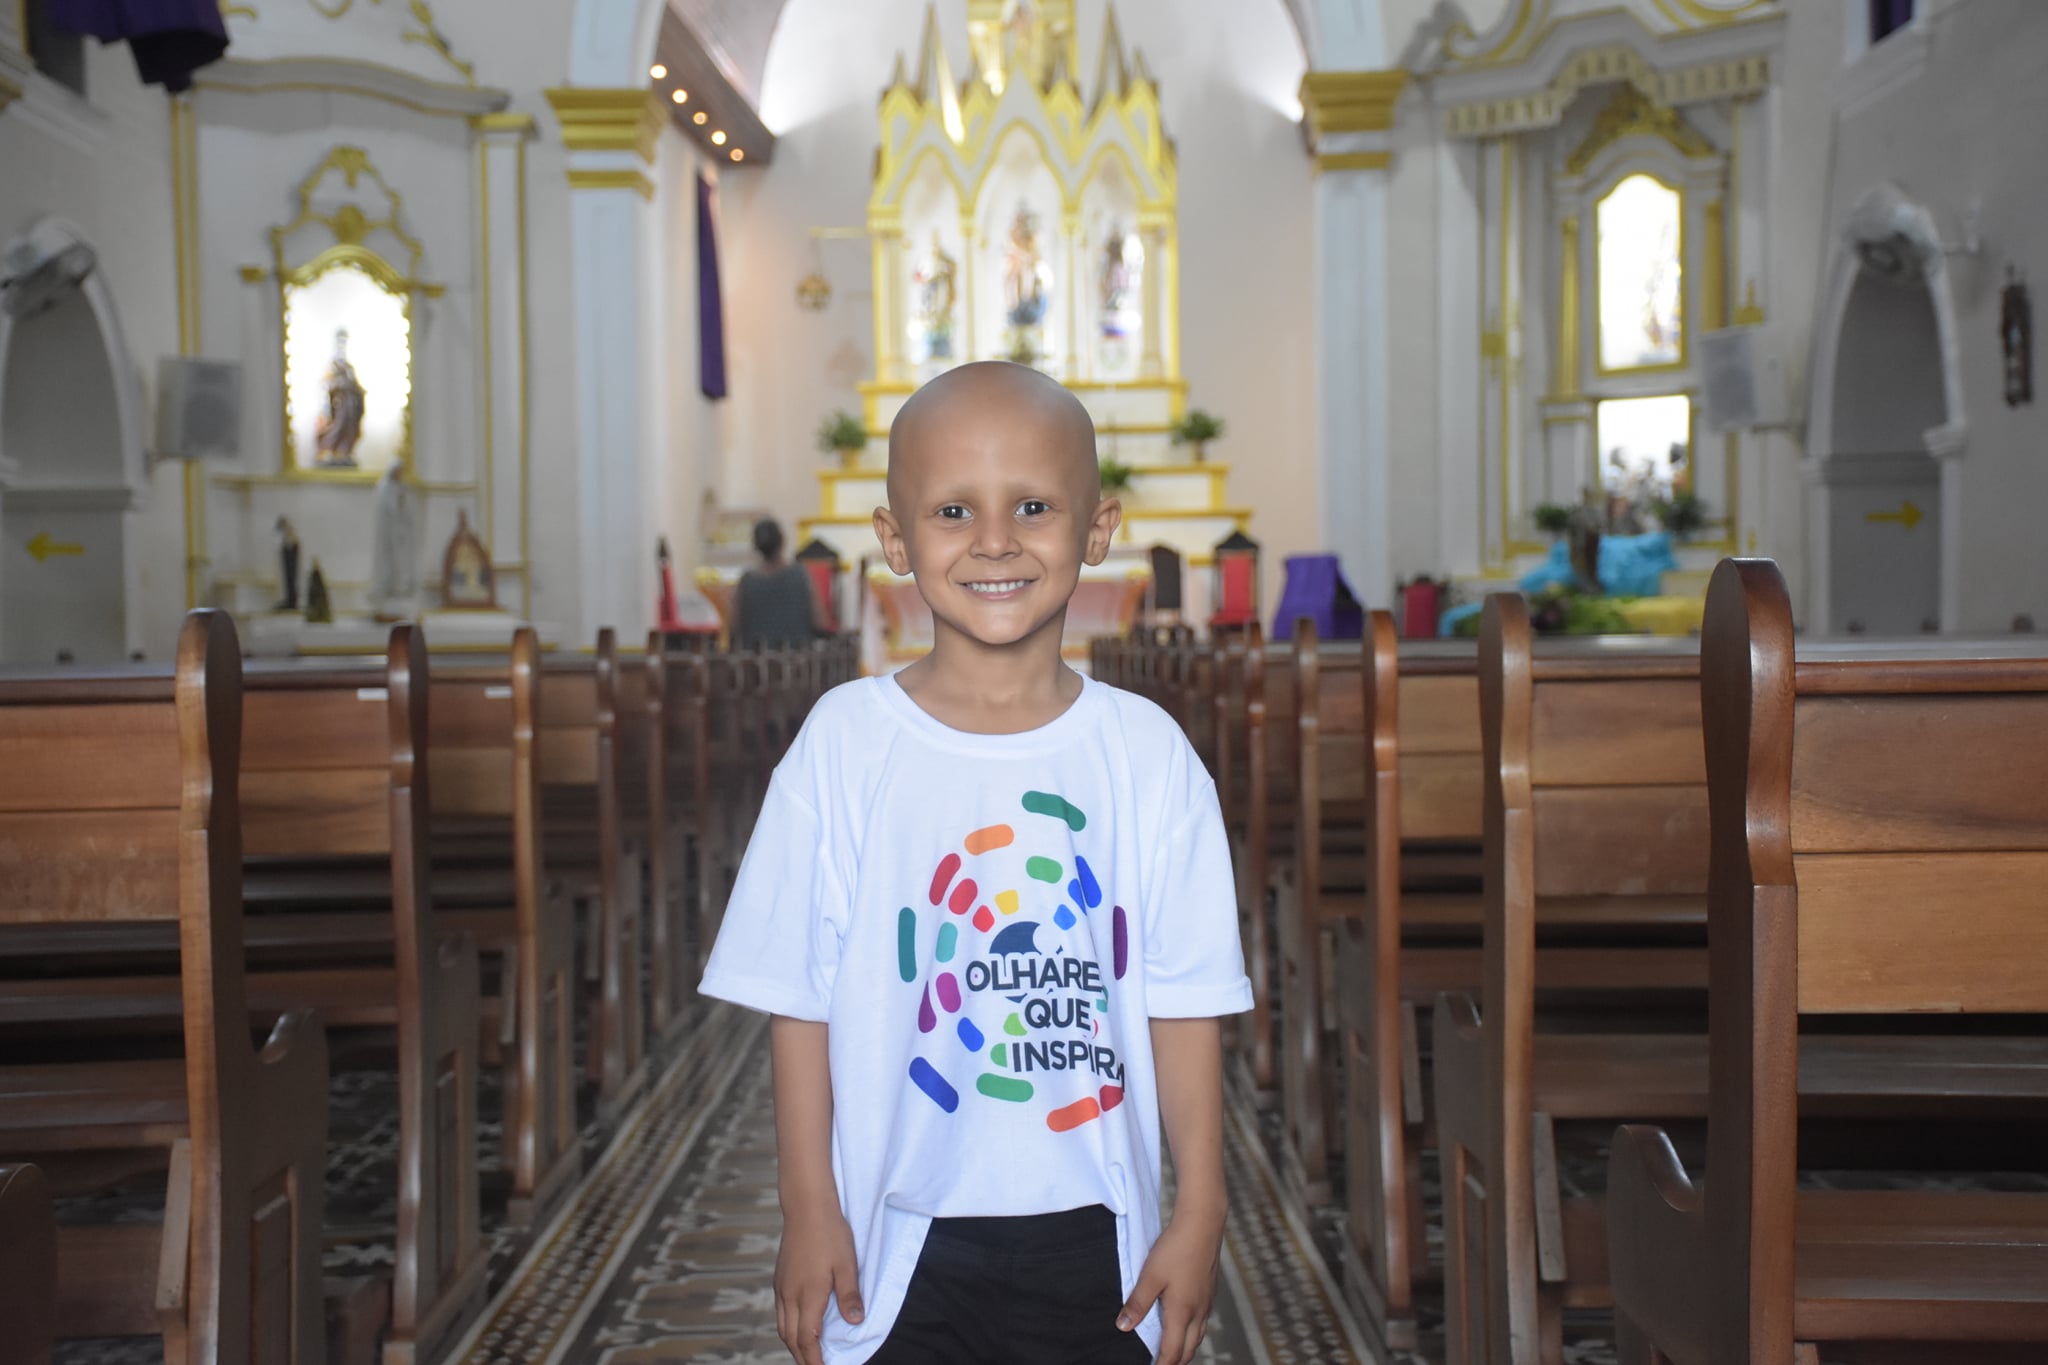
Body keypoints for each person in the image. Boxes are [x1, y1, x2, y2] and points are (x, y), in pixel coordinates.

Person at [700, 361, 1250, 1365]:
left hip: (1097, 1228)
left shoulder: (1146, 754)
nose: (994, 540)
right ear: (895, 540)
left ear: (1096, 527)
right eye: (953, 510)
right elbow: (799, 999)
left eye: (1032, 506)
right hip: (893, 1229)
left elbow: (1183, 1000)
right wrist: (806, 1205)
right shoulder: (843, 744)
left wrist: (1200, 1207)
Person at [732, 519, 828, 648]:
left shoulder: (746, 582)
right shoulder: (801, 576)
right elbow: (820, 621)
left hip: (756, 663)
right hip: (796, 661)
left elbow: (733, 628)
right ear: (782, 542)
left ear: (755, 546)